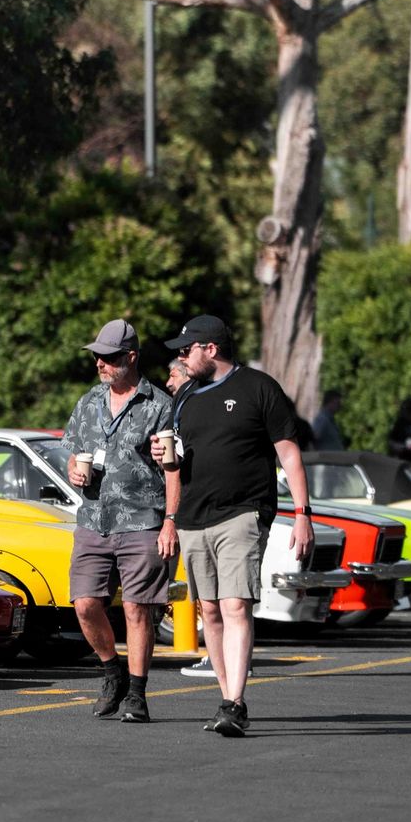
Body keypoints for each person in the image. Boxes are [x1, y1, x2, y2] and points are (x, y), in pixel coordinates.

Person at [153, 315, 313, 738]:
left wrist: (303, 514)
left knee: (235, 604)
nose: (182, 358)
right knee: (210, 611)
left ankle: (234, 702)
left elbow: (290, 454)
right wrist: (163, 458)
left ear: (211, 348)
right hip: (193, 517)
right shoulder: (185, 397)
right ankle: (227, 700)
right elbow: (178, 461)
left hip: (243, 512)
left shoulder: (259, 388)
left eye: (187, 350)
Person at [61, 318, 179, 724]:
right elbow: (74, 452)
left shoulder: (159, 405)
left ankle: (138, 693)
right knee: (85, 603)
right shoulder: (88, 401)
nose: (100, 364)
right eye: (97, 356)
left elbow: (173, 469)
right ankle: (112, 670)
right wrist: (75, 470)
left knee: (137, 608)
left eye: (109, 358)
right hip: (94, 518)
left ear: (131, 357)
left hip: (143, 521)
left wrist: (171, 521)